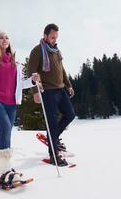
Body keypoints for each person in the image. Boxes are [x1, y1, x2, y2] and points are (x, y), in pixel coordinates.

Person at [0, 29, 40, 184]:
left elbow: (19, 84)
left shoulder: (14, 61)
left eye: (7, 37)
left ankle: (3, 165)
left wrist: (32, 80)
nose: (4, 40)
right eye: (0, 37)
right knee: (5, 127)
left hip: (11, 102)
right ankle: (4, 170)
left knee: (6, 131)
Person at [28, 23, 75, 166]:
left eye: (56, 37)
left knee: (70, 114)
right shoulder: (37, 51)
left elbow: (62, 70)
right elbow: (31, 72)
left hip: (61, 89)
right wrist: (35, 91)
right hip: (47, 91)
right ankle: (54, 156)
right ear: (45, 36)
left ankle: (52, 139)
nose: (55, 40)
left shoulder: (56, 51)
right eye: (52, 37)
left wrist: (68, 85)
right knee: (52, 123)